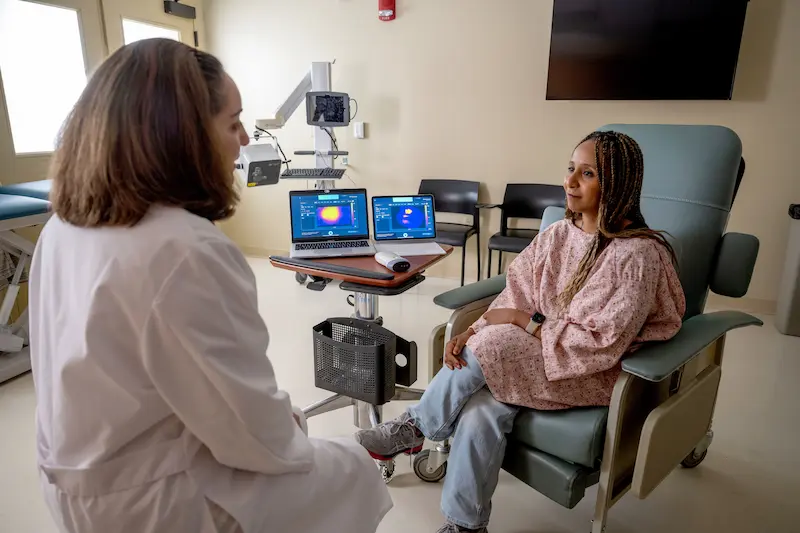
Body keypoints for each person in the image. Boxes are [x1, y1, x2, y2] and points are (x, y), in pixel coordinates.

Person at [30, 38, 392, 533]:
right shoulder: (184, 249)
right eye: (233, 121)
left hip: (75, 484)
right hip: (156, 503)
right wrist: (290, 424)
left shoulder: (63, 228)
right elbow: (254, 438)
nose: (245, 139)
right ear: (182, 136)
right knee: (353, 470)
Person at [355, 131, 687, 533]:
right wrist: (473, 330)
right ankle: (465, 525)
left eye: (587, 174)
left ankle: (415, 427)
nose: (570, 182)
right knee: (480, 411)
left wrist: (522, 323)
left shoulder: (636, 255)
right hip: (532, 359)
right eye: (570, 170)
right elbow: (516, 293)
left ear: (617, 184)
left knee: (496, 344)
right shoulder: (558, 235)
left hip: (587, 372)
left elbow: (602, 342)